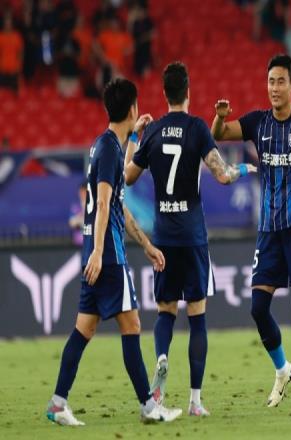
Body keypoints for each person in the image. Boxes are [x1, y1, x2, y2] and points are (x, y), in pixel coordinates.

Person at [46, 78, 182, 426]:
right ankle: (149, 406)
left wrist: (146, 245)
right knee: (132, 325)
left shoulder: (102, 145)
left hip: (95, 253)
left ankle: (58, 403)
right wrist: (98, 251)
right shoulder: (108, 150)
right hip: (107, 256)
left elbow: (118, 194)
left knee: (84, 329)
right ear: (133, 108)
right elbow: (106, 203)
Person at [124, 62, 256, 417]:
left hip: (163, 237)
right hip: (193, 236)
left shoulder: (153, 131)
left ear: (164, 93)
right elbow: (223, 175)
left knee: (165, 310)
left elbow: (128, 177)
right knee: (197, 316)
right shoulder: (197, 128)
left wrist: (134, 137)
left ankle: (161, 357)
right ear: (188, 91)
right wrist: (244, 169)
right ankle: (195, 401)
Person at [211, 54, 291, 407]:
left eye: (281, 81)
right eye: (271, 82)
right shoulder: (257, 122)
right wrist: (219, 117)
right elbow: (219, 134)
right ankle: (283, 369)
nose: (275, 88)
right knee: (258, 308)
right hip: (268, 230)